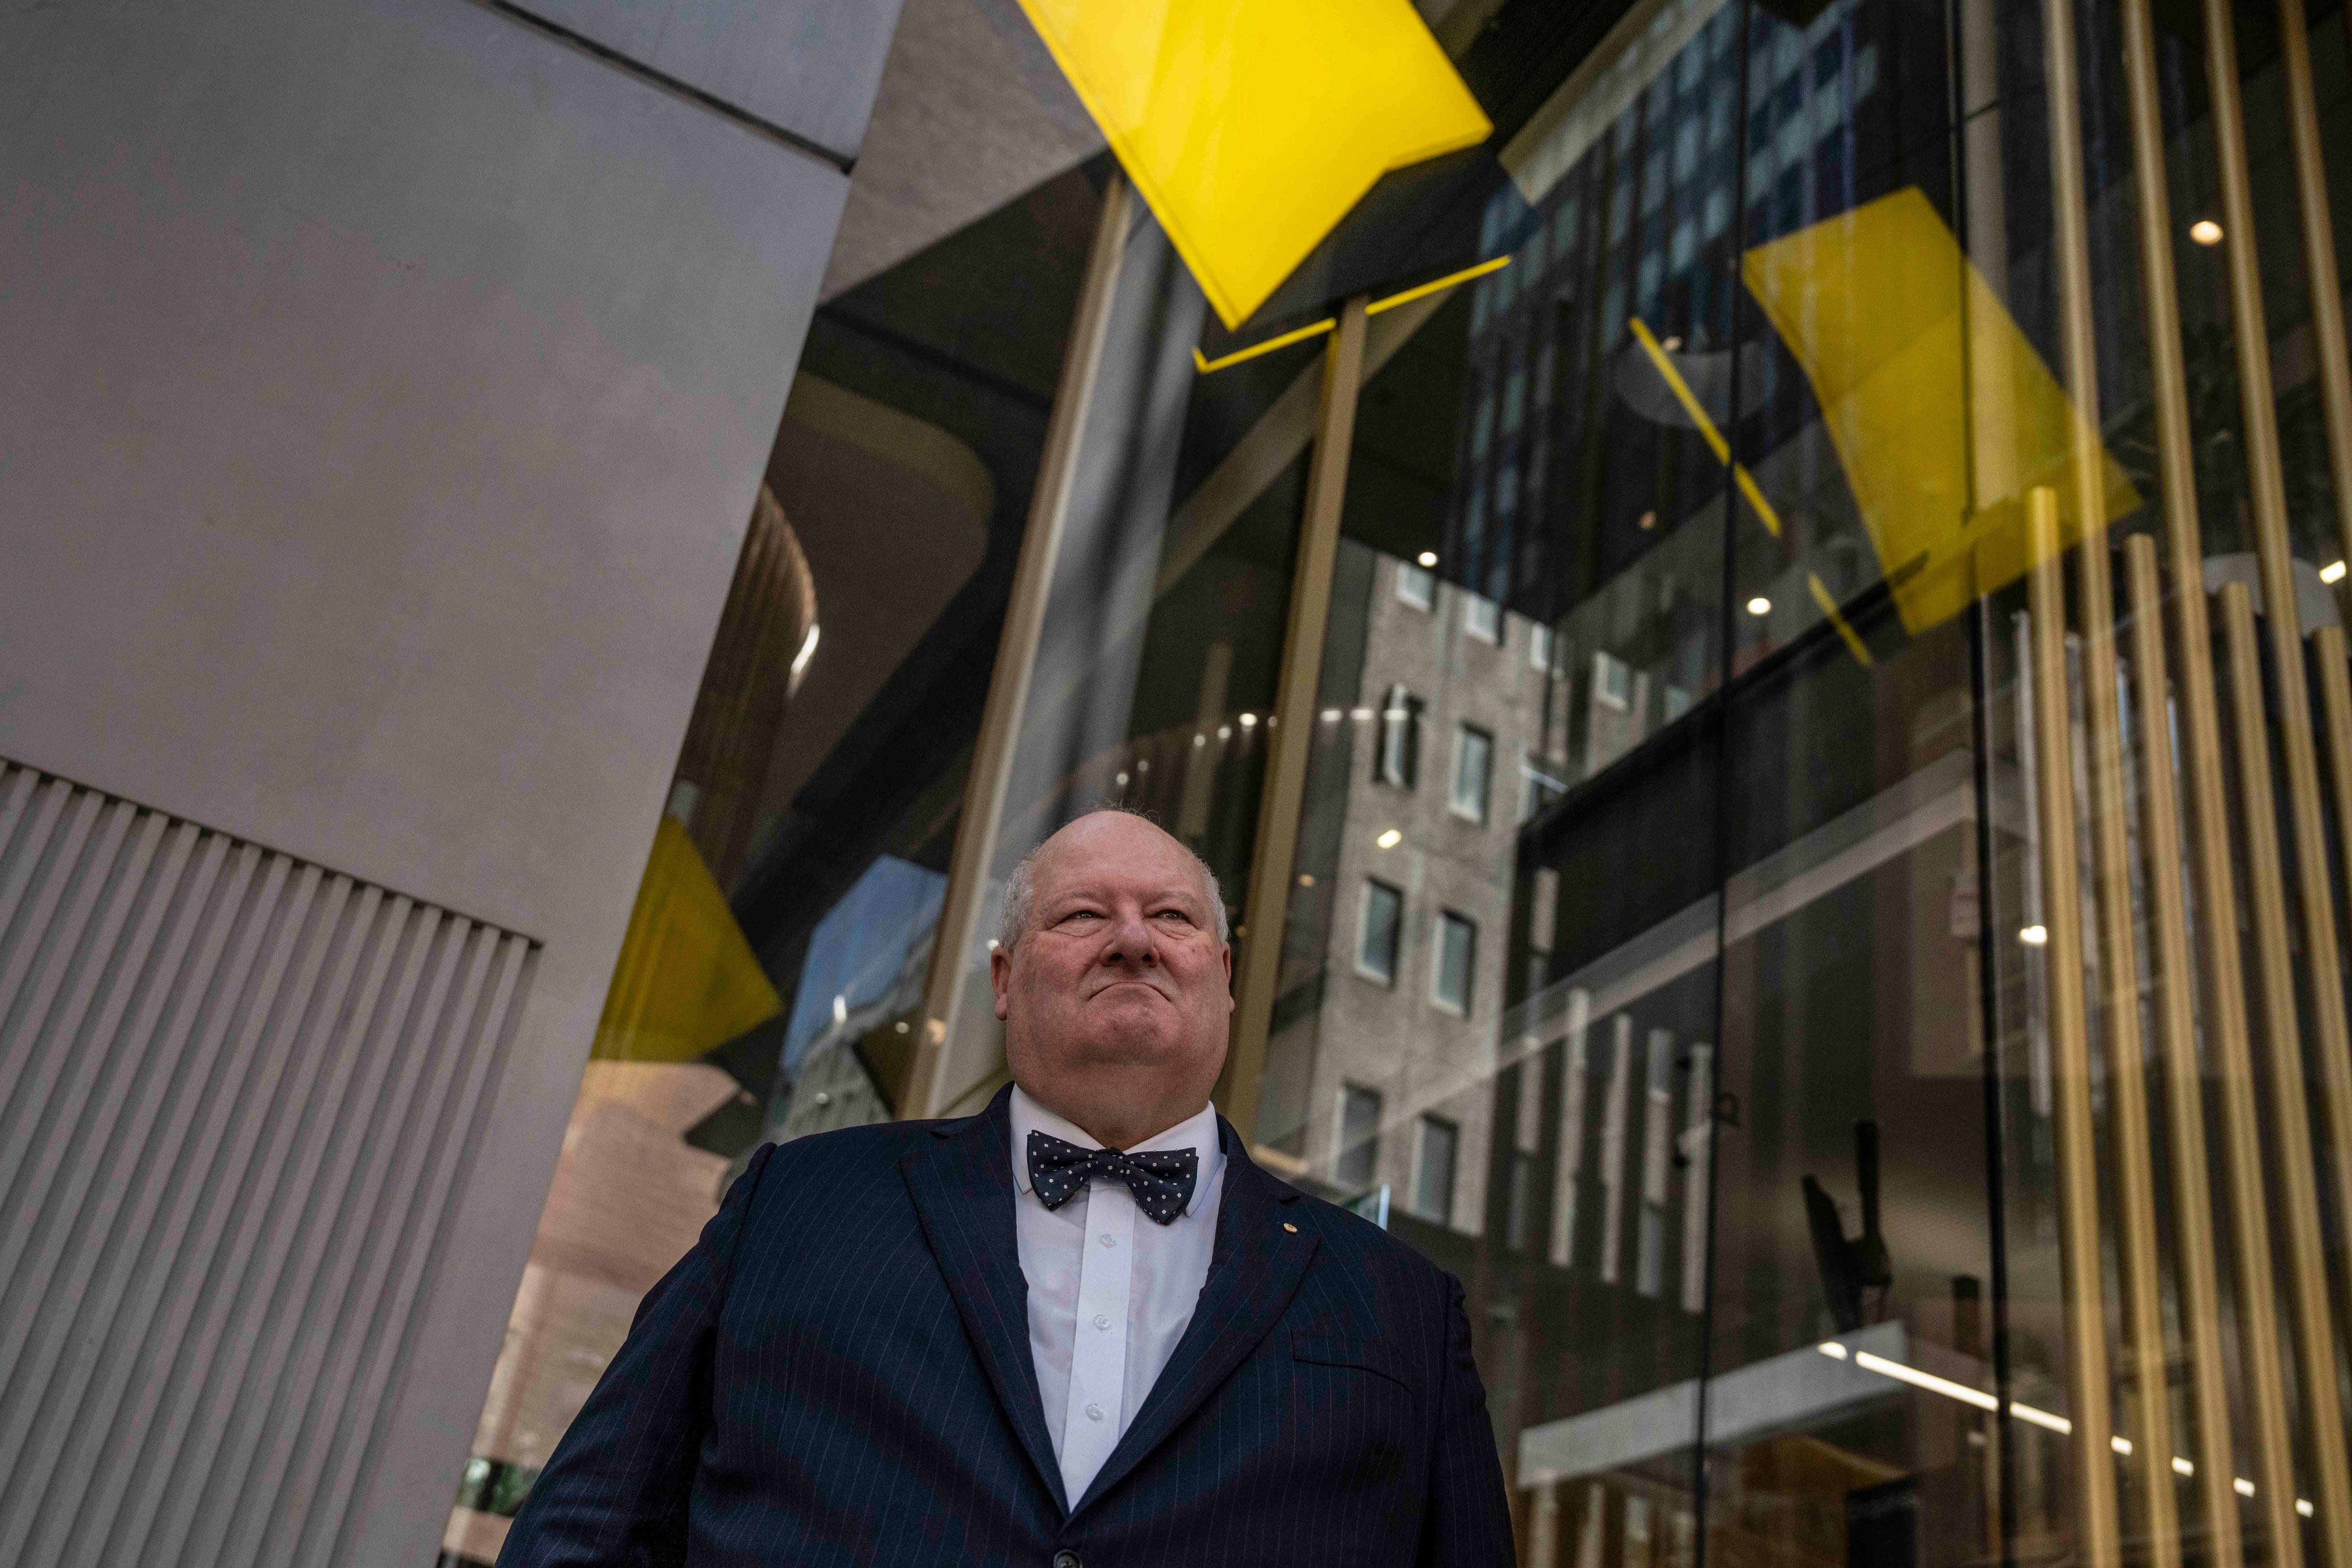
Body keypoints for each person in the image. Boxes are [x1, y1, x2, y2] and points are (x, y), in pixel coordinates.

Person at [499, 808, 1513, 1567]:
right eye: (1083, 913)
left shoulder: (1402, 1303)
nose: (1134, 937)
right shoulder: (795, 1198)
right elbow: (590, 1522)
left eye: (1172, 914)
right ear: (1001, 977)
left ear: (1224, 975)